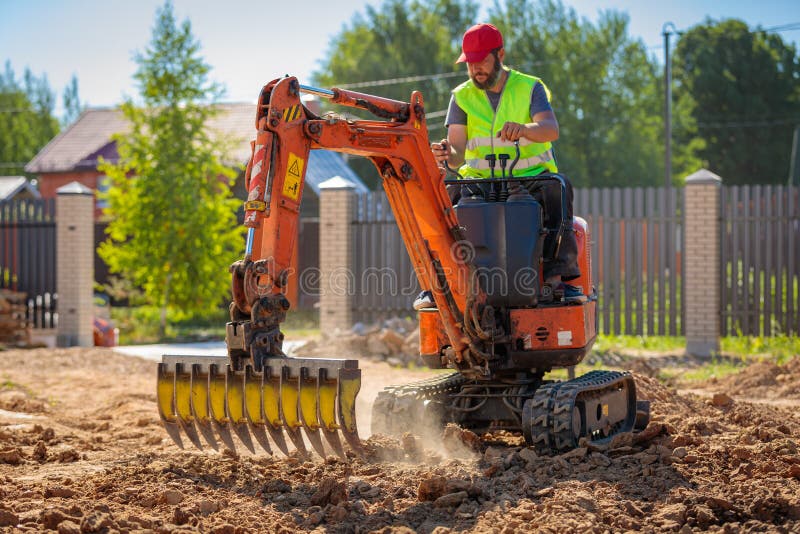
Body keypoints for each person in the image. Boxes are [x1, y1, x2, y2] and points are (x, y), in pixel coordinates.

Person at [414, 22, 585, 310]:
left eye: (482, 61)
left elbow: (550, 129)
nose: (475, 69)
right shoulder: (462, 96)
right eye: (470, 63)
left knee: (559, 187)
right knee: (443, 195)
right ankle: (440, 285)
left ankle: (556, 282)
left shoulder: (529, 87)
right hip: (480, 180)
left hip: (530, 178)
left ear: (500, 55)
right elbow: (456, 152)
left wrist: (525, 129)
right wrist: (445, 153)